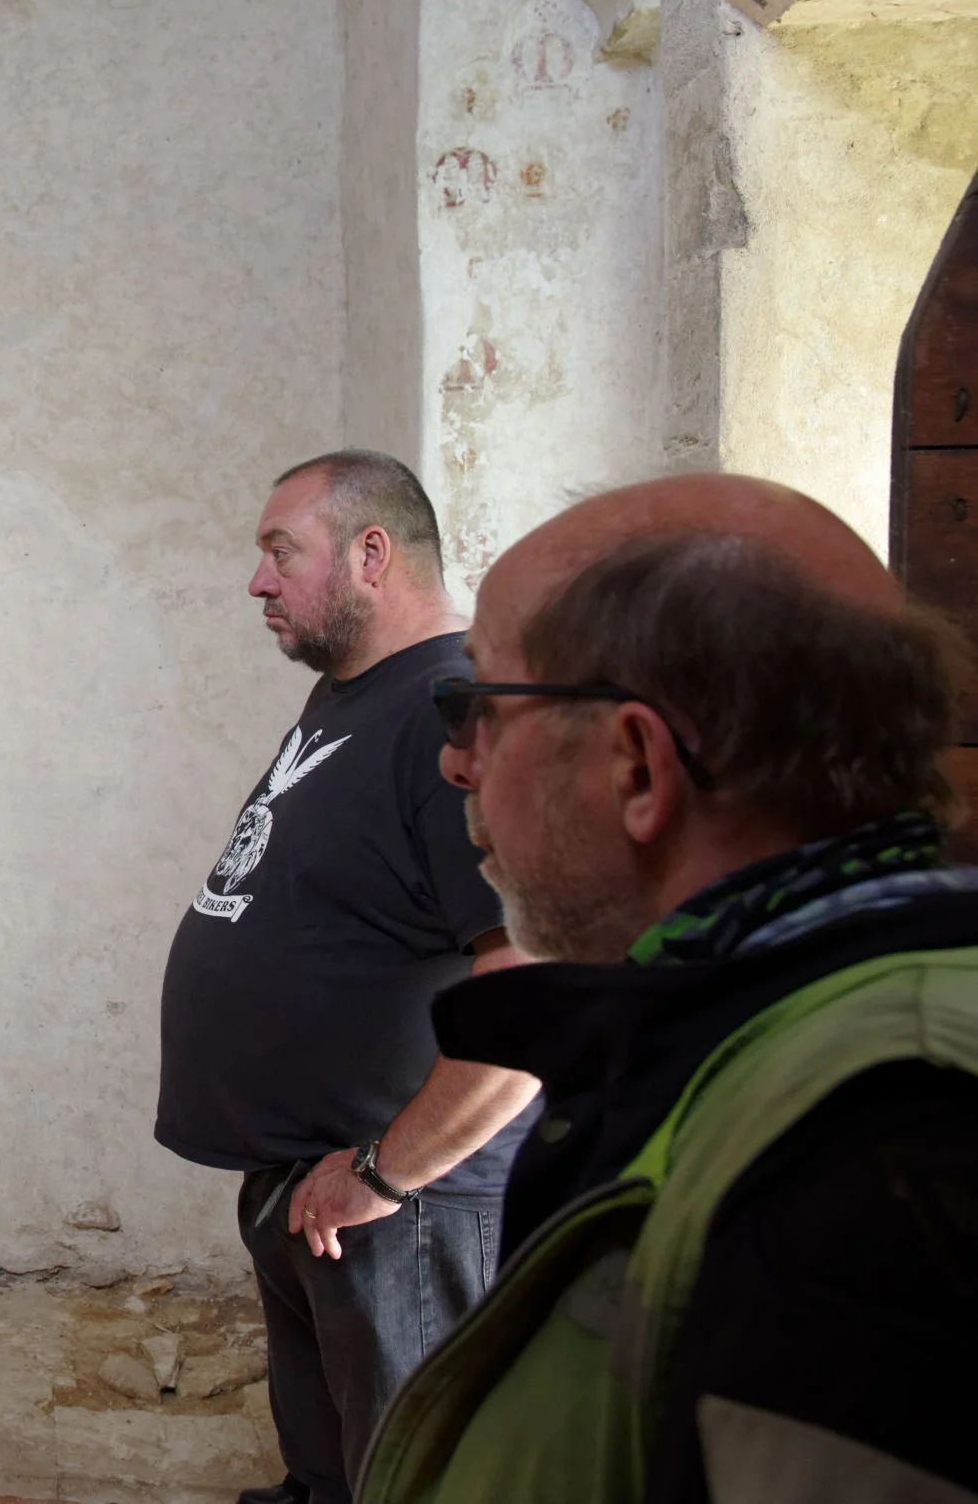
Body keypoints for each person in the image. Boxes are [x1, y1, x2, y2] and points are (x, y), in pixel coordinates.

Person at [361, 476, 978, 1504]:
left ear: (638, 766)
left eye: (480, 709)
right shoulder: (757, 1034)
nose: (454, 762)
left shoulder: (884, 1142)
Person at [155, 453, 541, 1504]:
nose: (257, 580)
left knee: (410, 1475)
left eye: (279, 551)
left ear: (371, 554)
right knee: (331, 1464)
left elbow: (529, 979)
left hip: (399, 1206)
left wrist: (383, 1172)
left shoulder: (448, 713)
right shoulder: (356, 698)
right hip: (316, 1181)